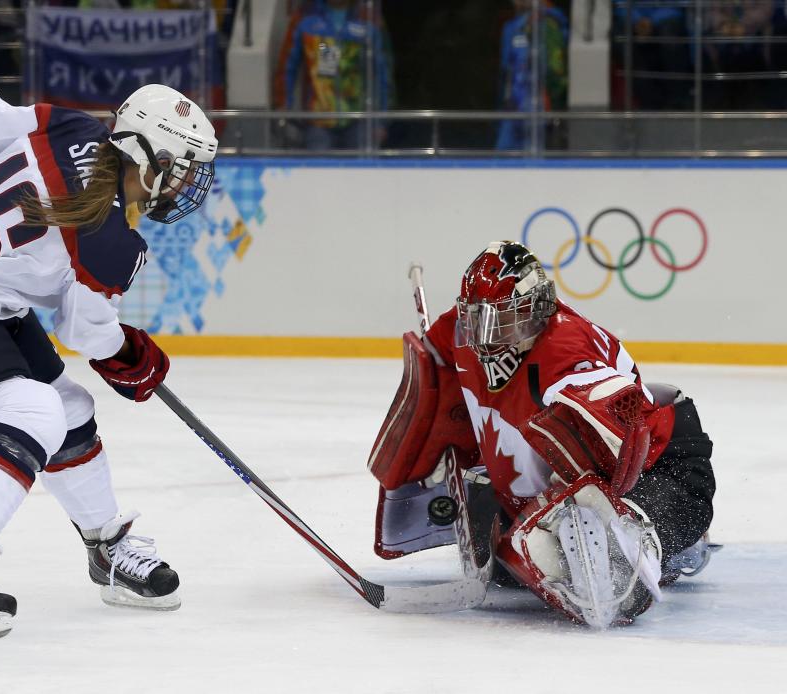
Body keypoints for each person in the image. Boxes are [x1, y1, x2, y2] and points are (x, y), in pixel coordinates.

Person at [0, 83, 218, 638]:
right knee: (34, 412)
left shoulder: (70, 127)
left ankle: (106, 549)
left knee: (70, 407)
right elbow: (84, 330)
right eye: (180, 167)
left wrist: (3, 188)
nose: (184, 182)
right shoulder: (108, 238)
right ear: (148, 160)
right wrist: (132, 356)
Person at [367, 241, 715, 627]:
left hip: (658, 465)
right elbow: (435, 364)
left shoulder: (564, 352)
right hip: (552, 483)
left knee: (603, 531)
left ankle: (665, 546)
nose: (487, 339)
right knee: (508, 561)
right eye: (479, 321)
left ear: (537, 310)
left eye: (502, 321)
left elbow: (625, 428)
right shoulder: (461, 332)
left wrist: (612, 510)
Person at [274, 0, 393, 151]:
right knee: (319, 172)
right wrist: (284, 104)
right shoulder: (305, 18)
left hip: (359, 121)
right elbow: (287, 67)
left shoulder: (369, 19)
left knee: (360, 173)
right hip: (317, 122)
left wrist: (381, 120)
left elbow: (382, 74)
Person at [495, 0, 569, 152]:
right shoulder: (514, 27)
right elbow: (506, 72)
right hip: (514, 110)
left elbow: (556, 74)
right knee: (502, 162)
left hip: (538, 112)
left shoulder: (548, 26)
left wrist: (551, 107)